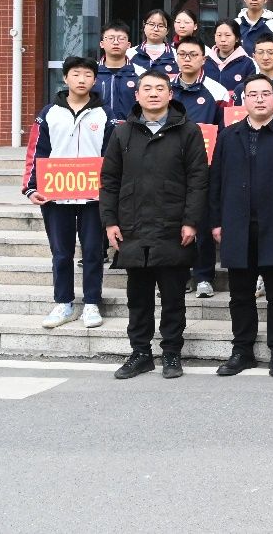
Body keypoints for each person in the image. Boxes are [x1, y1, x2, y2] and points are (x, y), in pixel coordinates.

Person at [101, 71, 209, 380]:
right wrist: (110, 221)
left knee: (173, 297)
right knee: (138, 297)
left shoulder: (187, 131)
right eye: (146, 88)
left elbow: (198, 179)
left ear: (170, 94)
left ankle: (172, 353)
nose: (153, 93)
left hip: (172, 227)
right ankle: (141, 353)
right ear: (137, 95)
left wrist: (191, 221)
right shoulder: (122, 132)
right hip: (133, 227)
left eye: (160, 88)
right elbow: (109, 180)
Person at [208, 73, 273, 377]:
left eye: (265, 93)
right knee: (240, 294)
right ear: (243, 100)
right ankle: (242, 351)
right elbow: (216, 181)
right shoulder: (228, 135)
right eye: (253, 94)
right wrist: (216, 221)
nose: (259, 99)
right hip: (237, 225)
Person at [24, 56, 112, 330]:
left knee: (93, 251)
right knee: (61, 252)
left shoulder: (105, 114)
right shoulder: (49, 113)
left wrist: (111, 191)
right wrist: (31, 187)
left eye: (88, 74)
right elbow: (36, 151)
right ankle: (63, 302)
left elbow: (112, 157)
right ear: (65, 78)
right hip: (56, 194)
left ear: (95, 80)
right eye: (76, 74)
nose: (82, 79)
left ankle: (92, 303)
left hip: (93, 196)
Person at [170, 36, 229, 298]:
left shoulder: (217, 91)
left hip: (205, 167)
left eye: (193, 55)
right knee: (174, 220)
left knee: (203, 222)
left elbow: (225, 131)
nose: (187, 59)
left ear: (203, 59)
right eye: (182, 54)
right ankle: (180, 274)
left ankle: (204, 276)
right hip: (170, 167)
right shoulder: (164, 88)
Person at [96, 21, 145, 123]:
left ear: (128, 45)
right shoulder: (92, 72)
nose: (116, 42)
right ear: (102, 44)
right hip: (97, 128)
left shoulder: (141, 73)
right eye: (110, 38)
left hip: (132, 128)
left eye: (121, 38)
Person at [206, 19, 254, 90]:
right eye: (219, 35)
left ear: (237, 38)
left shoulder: (247, 63)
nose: (223, 39)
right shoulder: (204, 61)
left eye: (227, 35)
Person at [128, 9, 177, 76]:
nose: (155, 29)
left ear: (167, 30)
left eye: (160, 26)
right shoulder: (130, 54)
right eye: (151, 24)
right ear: (144, 26)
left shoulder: (176, 55)